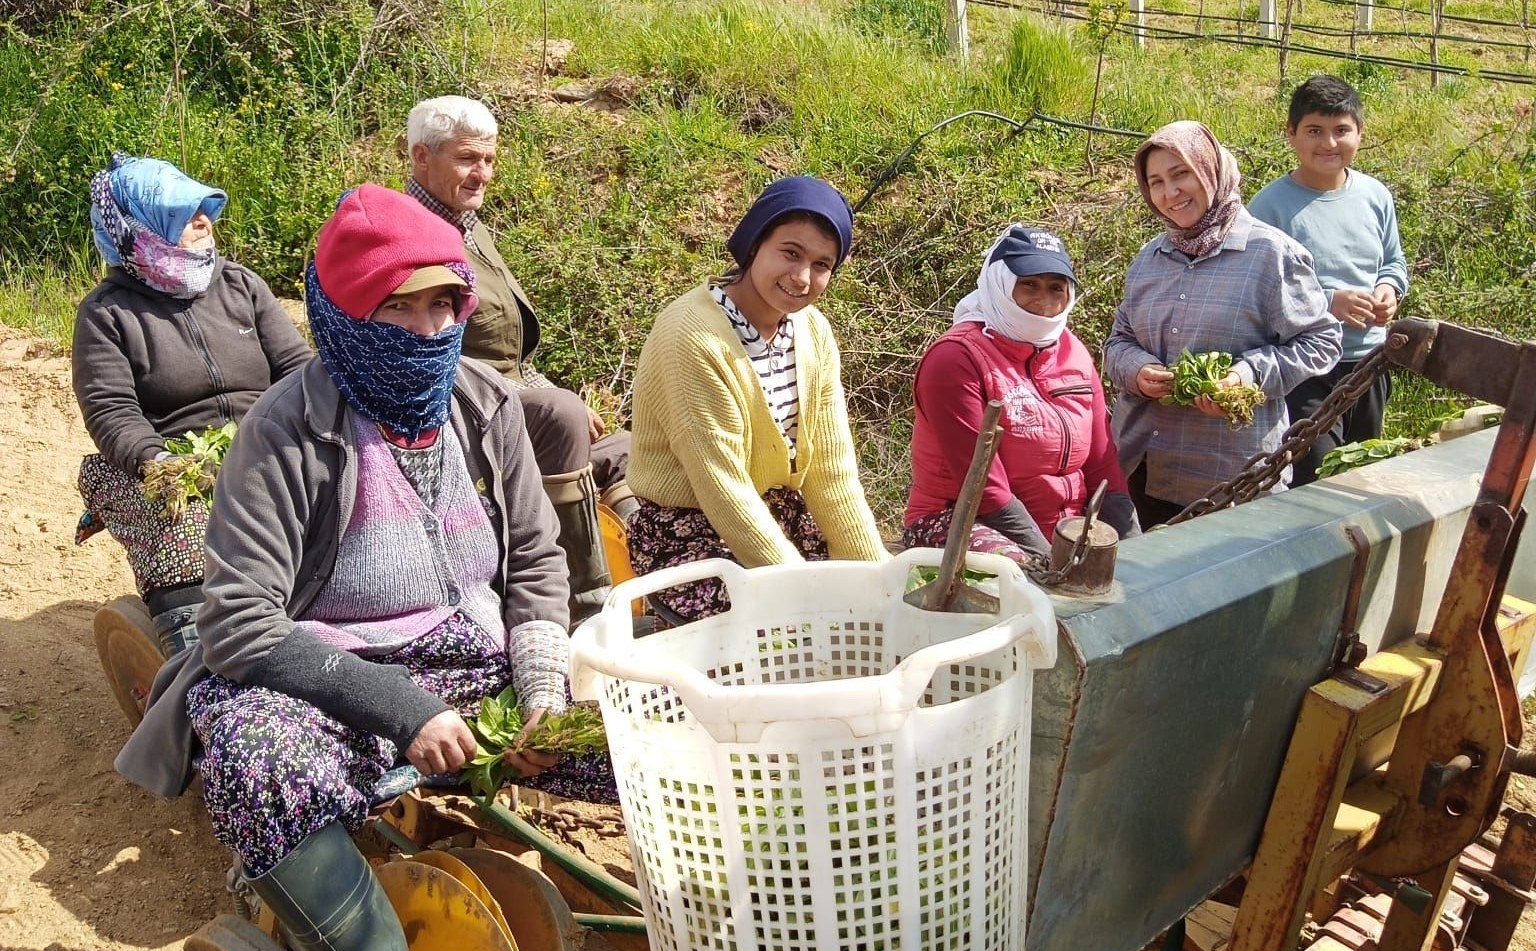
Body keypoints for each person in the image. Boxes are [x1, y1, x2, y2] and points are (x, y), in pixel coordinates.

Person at [115, 184, 579, 951]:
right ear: (341, 313)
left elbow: (535, 561)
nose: (424, 327)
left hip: (469, 652)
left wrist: (541, 691)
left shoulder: (486, 404)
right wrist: (404, 711)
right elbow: (240, 624)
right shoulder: (284, 428)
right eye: (394, 307)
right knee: (252, 749)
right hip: (331, 672)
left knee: (643, 720)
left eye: (444, 301)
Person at [73, 153, 311, 654]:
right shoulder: (106, 314)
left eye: (204, 208)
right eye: (181, 214)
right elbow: (111, 410)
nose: (203, 221)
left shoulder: (240, 285)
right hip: (174, 460)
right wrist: (163, 464)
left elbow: (296, 368)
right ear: (137, 229)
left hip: (268, 437)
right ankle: (195, 673)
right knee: (187, 535)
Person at [405, 94, 631, 620]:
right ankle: (579, 606)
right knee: (561, 416)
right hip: (457, 414)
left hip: (508, 396)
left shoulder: (468, 225)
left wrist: (550, 389)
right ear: (421, 157)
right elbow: (426, 352)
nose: (481, 173)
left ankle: (645, 589)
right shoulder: (412, 236)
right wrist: (549, 401)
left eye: (488, 160)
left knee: (628, 444)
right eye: (467, 158)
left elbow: (507, 347)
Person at [626, 175, 888, 620]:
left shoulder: (812, 332)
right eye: (790, 253)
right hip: (691, 532)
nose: (802, 278)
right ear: (754, 245)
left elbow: (831, 471)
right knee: (777, 627)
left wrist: (882, 583)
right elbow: (723, 488)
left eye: (822, 264)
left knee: (862, 605)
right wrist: (803, 596)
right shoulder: (693, 337)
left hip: (779, 518)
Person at [1105, 121, 1342, 527]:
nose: (1170, 193)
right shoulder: (1149, 258)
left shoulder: (1271, 254)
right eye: (1156, 182)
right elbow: (1118, 341)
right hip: (1141, 466)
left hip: (1230, 479)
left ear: (1210, 169)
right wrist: (1138, 373)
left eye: (1182, 174)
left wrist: (1246, 376)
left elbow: (1321, 340)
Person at [903, 225, 1138, 565]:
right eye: (1028, 284)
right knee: (1027, 584)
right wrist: (1050, 562)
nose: (1043, 301)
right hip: (963, 521)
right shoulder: (956, 359)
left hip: (1062, 527)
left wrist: (1132, 545)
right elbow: (982, 485)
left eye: (1056, 288)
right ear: (1000, 282)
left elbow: (1102, 461)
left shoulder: (1074, 353)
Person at [1248, 74, 1409, 486]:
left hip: (1370, 362)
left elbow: (1393, 263)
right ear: (1291, 134)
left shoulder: (1375, 197)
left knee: (1360, 475)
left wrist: (1389, 290)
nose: (1329, 144)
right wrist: (1329, 301)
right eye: (1314, 131)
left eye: (1342, 131)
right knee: (1316, 478)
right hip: (1307, 371)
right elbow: (1258, 291)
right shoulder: (1269, 207)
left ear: (1360, 133)